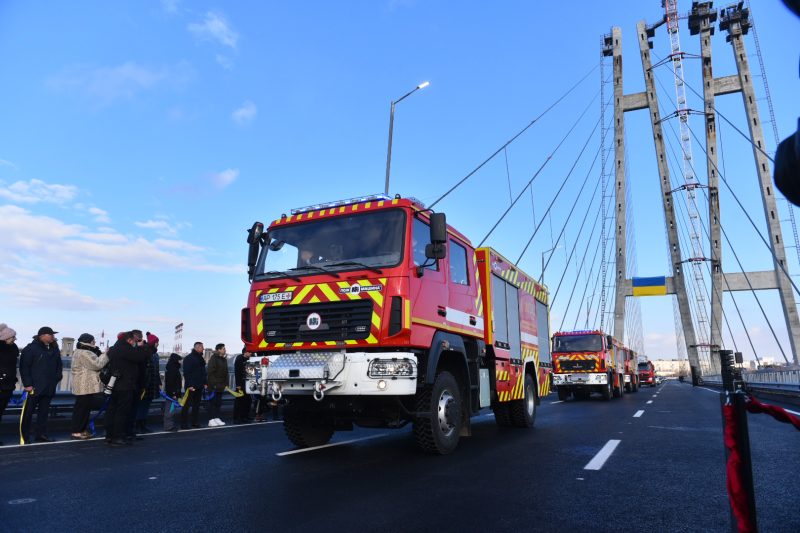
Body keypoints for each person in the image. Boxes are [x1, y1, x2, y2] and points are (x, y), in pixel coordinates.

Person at [19, 326, 63, 443]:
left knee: (43, 414)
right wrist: (27, 384)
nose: (53, 337)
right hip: (34, 388)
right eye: (51, 334)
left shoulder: (54, 349)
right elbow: (24, 368)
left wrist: (57, 378)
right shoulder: (30, 349)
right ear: (42, 335)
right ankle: (25, 436)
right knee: (28, 413)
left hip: (48, 387)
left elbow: (59, 365)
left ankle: (41, 435)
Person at [104, 331, 149, 446]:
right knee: (122, 412)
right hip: (125, 384)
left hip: (114, 383)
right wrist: (140, 348)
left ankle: (109, 435)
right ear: (129, 340)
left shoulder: (114, 349)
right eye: (134, 341)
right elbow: (139, 358)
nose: (135, 343)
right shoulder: (125, 348)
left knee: (112, 410)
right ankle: (118, 437)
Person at [69, 333, 108, 440]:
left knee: (82, 409)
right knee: (82, 410)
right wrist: (106, 354)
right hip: (84, 386)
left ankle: (81, 430)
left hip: (83, 386)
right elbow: (97, 364)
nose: (95, 342)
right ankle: (77, 431)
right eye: (93, 340)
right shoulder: (85, 353)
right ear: (89, 341)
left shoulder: (79, 351)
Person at [135, 332, 161, 433]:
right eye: (157, 342)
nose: (158, 344)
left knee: (145, 405)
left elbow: (156, 370)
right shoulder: (146, 352)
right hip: (145, 385)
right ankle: (138, 426)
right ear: (154, 343)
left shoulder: (155, 354)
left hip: (151, 384)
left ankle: (142, 425)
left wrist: (158, 382)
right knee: (141, 405)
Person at [0, 324, 20, 446]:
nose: (15, 339)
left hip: (8, 385)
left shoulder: (13, 348)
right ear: (5, 337)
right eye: (13, 337)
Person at [180, 342, 207, 429]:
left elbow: (203, 372)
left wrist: (205, 382)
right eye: (202, 347)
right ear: (197, 347)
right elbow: (187, 373)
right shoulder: (189, 358)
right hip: (191, 386)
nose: (203, 349)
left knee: (196, 405)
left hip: (199, 385)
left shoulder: (200, 358)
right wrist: (190, 385)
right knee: (187, 405)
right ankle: (184, 423)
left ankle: (194, 422)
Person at [206, 343, 228, 427]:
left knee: (218, 403)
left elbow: (225, 373)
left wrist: (226, 384)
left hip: (221, 385)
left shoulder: (224, 359)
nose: (225, 350)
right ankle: (211, 420)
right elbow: (210, 373)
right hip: (214, 385)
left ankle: (216, 418)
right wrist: (214, 384)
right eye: (223, 349)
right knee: (212, 403)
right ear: (219, 350)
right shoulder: (213, 358)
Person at [163, 353, 182, 432]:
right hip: (172, 394)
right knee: (170, 410)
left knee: (170, 409)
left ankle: (169, 425)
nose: (180, 362)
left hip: (171, 393)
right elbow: (171, 383)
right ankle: (169, 426)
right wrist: (174, 393)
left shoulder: (171, 368)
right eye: (179, 360)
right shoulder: (173, 370)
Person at [233, 346, 252, 424]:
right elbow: (237, 374)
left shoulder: (248, 360)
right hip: (240, 383)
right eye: (250, 352)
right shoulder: (239, 360)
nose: (251, 354)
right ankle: (237, 418)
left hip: (247, 383)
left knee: (248, 400)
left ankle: (245, 416)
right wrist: (238, 385)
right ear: (245, 352)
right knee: (239, 401)